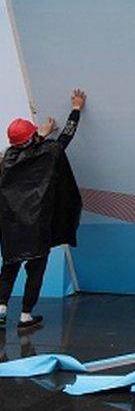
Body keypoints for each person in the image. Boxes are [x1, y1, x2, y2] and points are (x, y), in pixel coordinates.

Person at [0, 89, 86, 331]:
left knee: (9, 267)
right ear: (32, 138)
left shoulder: (7, 159)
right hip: (37, 226)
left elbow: (22, 145)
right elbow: (66, 137)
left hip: (11, 227)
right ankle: (26, 315)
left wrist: (39, 134)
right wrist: (76, 109)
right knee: (35, 270)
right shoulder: (48, 153)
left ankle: (1, 309)